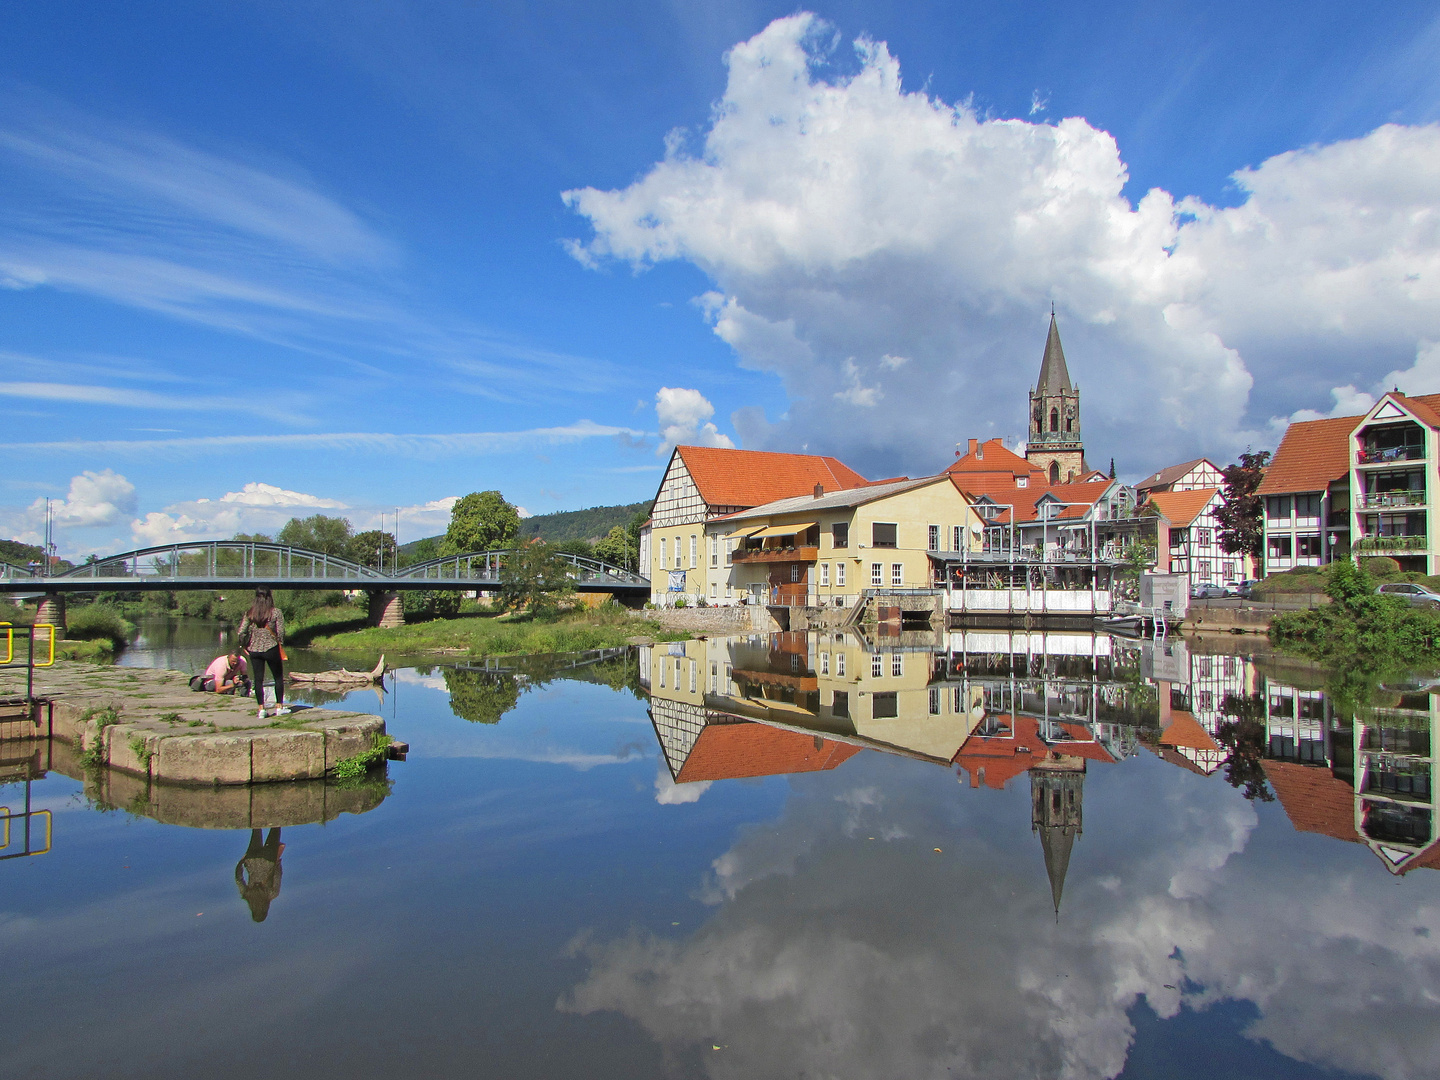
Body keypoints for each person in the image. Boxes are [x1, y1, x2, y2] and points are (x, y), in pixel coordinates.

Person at [238, 587, 287, 718]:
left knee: (258, 679)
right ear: (269, 597)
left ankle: (261, 710)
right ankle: (279, 707)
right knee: (278, 677)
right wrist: (280, 642)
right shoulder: (276, 612)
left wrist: (244, 645)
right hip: (271, 648)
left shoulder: (250, 613)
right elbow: (281, 632)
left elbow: (241, 631)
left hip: (254, 649)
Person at [235, 828, 284, 922]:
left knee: (275, 828)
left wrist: (277, 862)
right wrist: (241, 863)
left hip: (268, 858)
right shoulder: (246, 895)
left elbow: (277, 875)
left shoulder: (272, 894)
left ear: (266, 910)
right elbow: (238, 879)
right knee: (256, 829)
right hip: (251, 859)